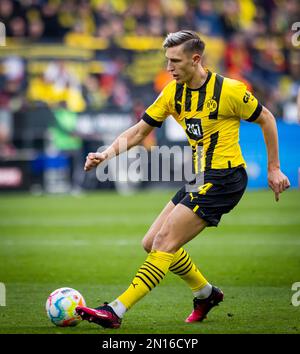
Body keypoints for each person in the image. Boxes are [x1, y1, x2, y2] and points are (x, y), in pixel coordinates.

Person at [75, 30, 290, 329]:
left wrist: (273, 168)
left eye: (175, 61)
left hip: (225, 178)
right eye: (167, 60)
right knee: (150, 243)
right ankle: (205, 293)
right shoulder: (172, 92)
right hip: (200, 177)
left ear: (196, 59)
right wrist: (106, 153)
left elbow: (267, 117)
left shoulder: (228, 90)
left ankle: (115, 310)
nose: (168, 68)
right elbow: (139, 131)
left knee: (164, 242)